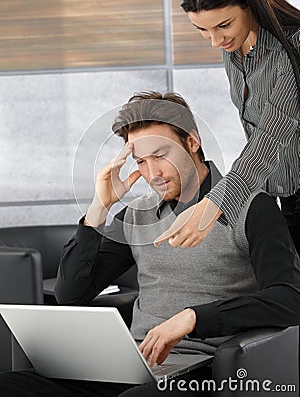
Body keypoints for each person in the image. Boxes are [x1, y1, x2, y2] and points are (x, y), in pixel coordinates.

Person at [0, 92, 299, 397]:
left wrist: (193, 317)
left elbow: (289, 298)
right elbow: (70, 294)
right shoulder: (138, 215)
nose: (152, 174)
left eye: (161, 155)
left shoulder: (252, 208)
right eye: (141, 161)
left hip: (205, 372)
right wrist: (98, 208)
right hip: (133, 365)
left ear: (192, 142)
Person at [155, 0, 300, 253]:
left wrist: (215, 204)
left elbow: (272, 136)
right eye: (202, 30)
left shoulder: (293, 48)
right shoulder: (233, 49)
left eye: (223, 25)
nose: (214, 40)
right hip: (284, 196)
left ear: (249, 2)